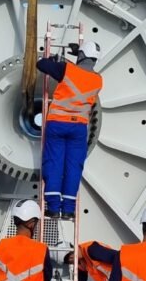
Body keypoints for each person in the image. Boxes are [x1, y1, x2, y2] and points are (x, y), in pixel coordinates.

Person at [37, 40, 103, 220]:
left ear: (81, 55)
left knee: (54, 164)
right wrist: (77, 55)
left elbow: (41, 65)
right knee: (74, 167)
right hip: (79, 128)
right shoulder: (98, 80)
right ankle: (68, 210)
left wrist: (53, 59)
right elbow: (83, 73)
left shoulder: (66, 69)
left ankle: (53, 208)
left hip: (58, 124)